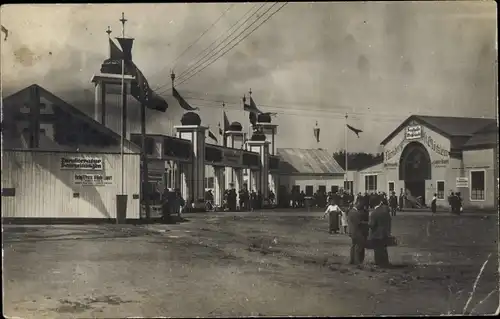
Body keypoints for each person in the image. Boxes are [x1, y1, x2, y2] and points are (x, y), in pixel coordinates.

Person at [368, 197, 392, 267]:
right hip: (385, 232)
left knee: (377, 249)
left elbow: (372, 225)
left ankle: (379, 263)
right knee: (384, 249)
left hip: (377, 233)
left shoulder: (374, 213)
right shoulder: (385, 211)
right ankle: (385, 262)